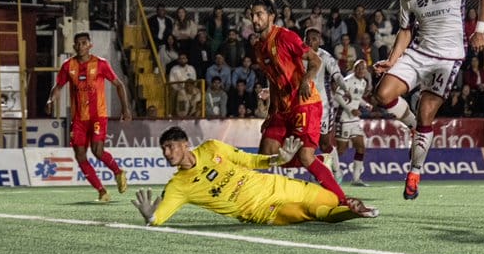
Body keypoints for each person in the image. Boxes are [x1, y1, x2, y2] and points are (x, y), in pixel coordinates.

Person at [373, 0, 484, 200]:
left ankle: (414, 173)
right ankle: (414, 127)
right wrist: (392, 61)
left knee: (426, 112)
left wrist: (480, 30)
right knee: (382, 94)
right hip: (418, 54)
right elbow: (405, 31)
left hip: (447, 60)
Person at [131, 126, 378, 226]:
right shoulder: (178, 186)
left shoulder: (211, 148)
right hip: (264, 210)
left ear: (185, 144)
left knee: (329, 201)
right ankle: (352, 211)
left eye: (170, 146)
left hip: (277, 185)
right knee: (310, 212)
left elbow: (249, 160)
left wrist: (277, 159)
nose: (166, 153)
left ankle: (349, 206)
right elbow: (158, 219)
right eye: (163, 149)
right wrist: (150, 216)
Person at [251, 0, 349, 205]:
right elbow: (273, 80)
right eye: (252, 14)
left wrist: (306, 80)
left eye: (259, 14)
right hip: (282, 109)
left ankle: (342, 200)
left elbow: (316, 60)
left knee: (305, 156)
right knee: (265, 153)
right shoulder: (258, 47)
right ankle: (263, 200)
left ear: (271, 16)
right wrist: (270, 114)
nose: (254, 18)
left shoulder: (286, 37)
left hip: (305, 103)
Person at [45, 32, 131, 202]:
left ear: (90, 45)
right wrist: (50, 100)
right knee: (80, 155)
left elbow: (119, 84)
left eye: (84, 43)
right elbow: (58, 86)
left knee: (97, 151)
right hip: (78, 119)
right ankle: (101, 191)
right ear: (74, 46)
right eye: (77, 43)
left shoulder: (101, 64)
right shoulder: (68, 66)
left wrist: (125, 108)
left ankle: (118, 172)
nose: (80, 46)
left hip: (98, 116)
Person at [304, 27, 350, 181]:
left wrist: (345, 89)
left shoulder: (325, 57)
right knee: (307, 143)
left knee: (324, 143)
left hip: (322, 106)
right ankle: (316, 173)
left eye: (314, 39)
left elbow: (337, 75)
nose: (311, 42)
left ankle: (337, 171)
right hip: (304, 106)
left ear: (320, 41)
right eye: (308, 38)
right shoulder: (298, 56)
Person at [334, 60, 372, 186]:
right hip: (344, 118)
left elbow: (356, 97)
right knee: (340, 151)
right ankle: (323, 171)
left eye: (364, 68)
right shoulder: (347, 80)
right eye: (359, 68)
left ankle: (356, 179)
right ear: (355, 69)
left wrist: (365, 104)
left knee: (361, 147)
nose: (362, 71)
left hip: (354, 120)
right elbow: (338, 96)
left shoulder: (363, 82)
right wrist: (350, 109)